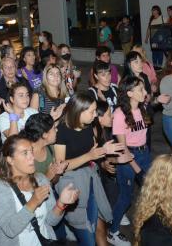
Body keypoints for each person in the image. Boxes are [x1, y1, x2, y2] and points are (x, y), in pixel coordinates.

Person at [54, 92, 124, 246]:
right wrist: (90, 156)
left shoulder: (88, 126)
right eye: (92, 111)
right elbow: (61, 166)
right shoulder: (62, 131)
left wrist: (104, 152)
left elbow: (93, 151)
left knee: (100, 227)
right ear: (79, 111)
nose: (95, 115)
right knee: (87, 235)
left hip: (91, 179)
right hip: (73, 185)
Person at [0, 134, 79, 245]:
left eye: (31, 151)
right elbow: (10, 230)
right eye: (25, 153)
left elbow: (51, 221)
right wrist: (33, 202)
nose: (32, 157)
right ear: (10, 160)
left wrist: (61, 203)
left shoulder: (41, 180)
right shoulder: (0, 189)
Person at [110, 76, 154, 243]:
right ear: (129, 93)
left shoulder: (141, 107)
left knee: (150, 190)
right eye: (141, 90)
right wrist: (137, 169)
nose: (145, 92)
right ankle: (112, 232)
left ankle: (149, 225)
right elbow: (123, 148)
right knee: (125, 198)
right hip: (128, 159)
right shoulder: (120, 114)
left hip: (145, 154)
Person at [21, 112, 66, 183]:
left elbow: (54, 181)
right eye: (54, 128)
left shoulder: (50, 149)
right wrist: (47, 176)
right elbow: (26, 188)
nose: (57, 130)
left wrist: (57, 172)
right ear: (45, 135)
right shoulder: (24, 155)